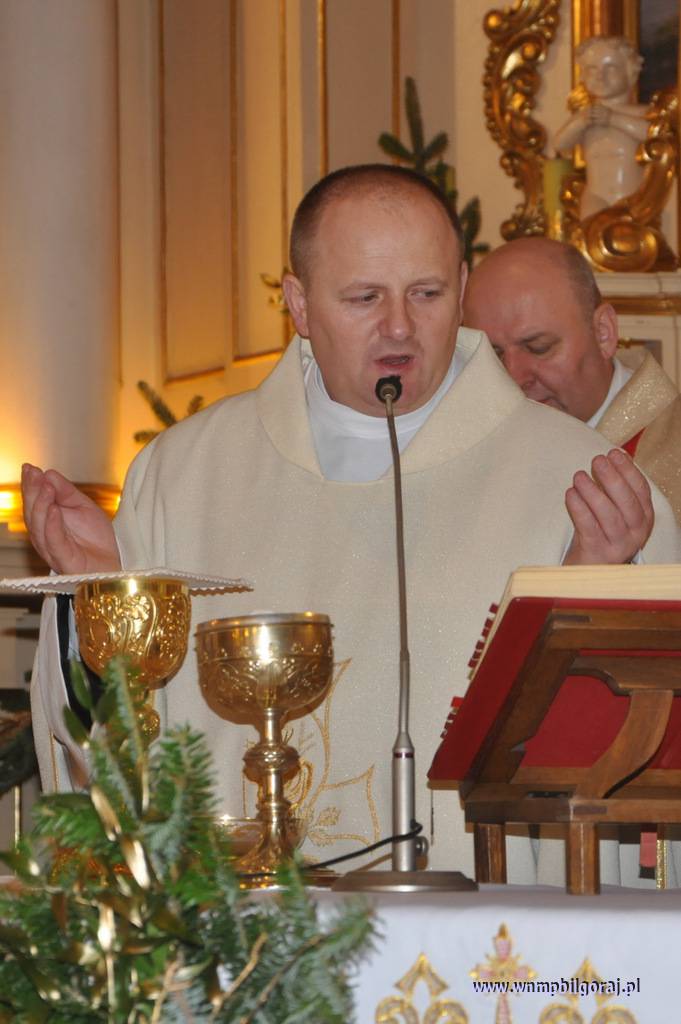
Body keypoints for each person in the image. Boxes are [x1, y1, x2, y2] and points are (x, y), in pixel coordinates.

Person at [23, 165, 681, 887]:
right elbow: (112, 743)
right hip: (243, 934)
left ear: (462, 286)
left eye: (426, 294)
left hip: (482, 938)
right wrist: (102, 589)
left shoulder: (576, 477)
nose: (399, 326)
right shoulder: (183, 475)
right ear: (300, 304)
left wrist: (596, 586)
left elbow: (633, 753)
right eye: (364, 298)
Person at [462, 236, 681, 525]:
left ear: (603, 332)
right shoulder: (462, 448)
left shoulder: (671, 448)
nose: (514, 377)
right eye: (494, 355)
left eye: (538, 347)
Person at [553, 35, 648, 219]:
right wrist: (580, 123)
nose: (600, 76)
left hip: (630, 194)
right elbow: (560, 144)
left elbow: (652, 134)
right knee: (590, 230)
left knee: (623, 233)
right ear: (582, 76)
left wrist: (612, 119)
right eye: (592, 69)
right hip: (595, 195)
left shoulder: (639, 113)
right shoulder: (585, 116)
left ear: (631, 73)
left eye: (610, 68)